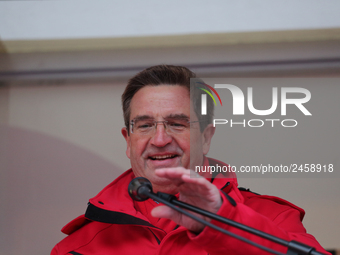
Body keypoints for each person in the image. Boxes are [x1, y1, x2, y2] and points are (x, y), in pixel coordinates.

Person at [51, 65, 329, 255]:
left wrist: (222, 222)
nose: (160, 139)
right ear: (128, 140)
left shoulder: (274, 219)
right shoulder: (77, 247)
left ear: (206, 137)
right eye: (145, 125)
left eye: (177, 123)